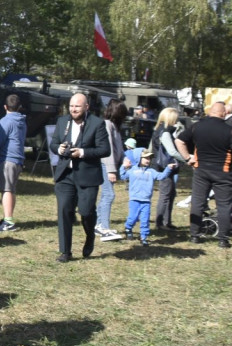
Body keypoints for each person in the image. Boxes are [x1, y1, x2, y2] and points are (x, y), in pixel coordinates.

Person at [48, 92, 110, 262]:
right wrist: (59, 149)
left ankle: (90, 236)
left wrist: (82, 152)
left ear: (86, 107)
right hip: (65, 174)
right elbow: (53, 143)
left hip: (87, 175)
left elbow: (105, 149)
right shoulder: (62, 122)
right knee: (64, 211)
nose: (73, 109)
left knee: (86, 211)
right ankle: (65, 252)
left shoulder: (97, 124)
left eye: (77, 106)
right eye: (71, 106)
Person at [175, 101, 232, 247]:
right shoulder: (229, 130)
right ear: (224, 113)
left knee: (198, 202)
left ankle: (194, 236)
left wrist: (187, 157)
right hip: (223, 172)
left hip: (201, 170)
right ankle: (223, 240)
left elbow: (179, 140)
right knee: (224, 205)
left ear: (209, 112)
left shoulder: (197, 126)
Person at [0, 94, 26, 231]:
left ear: (5, 107)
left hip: (8, 159)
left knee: (7, 190)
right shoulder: (22, 120)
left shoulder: (5, 121)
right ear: (19, 106)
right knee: (10, 189)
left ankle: (8, 222)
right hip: (18, 159)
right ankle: (7, 218)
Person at [120, 147, 175, 245]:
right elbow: (123, 176)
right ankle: (128, 228)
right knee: (132, 217)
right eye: (146, 158)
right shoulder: (132, 170)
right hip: (134, 200)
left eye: (149, 158)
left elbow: (161, 176)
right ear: (138, 158)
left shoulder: (151, 171)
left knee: (145, 220)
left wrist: (168, 169)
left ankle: (143, 237)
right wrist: (123, 166)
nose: (148, 160)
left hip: (146, 201)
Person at [94, 100, 128, 242]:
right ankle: (104, 228)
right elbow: (107, 151)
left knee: (106, 195)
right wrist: (111, 170)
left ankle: (98, 224)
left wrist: (125, 157)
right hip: (106, 165)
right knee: (109, 195)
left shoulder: (114, 126)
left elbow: (118, 148)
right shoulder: (107, 125)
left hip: (110, 165)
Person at [149, 107, 186, 231]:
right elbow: (172, 151)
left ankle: (166, 221)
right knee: (165, 195)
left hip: (163, 166)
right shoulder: (164, 132)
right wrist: (187, 158)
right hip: (165, 167)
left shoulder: (159, 130)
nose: (177, 120)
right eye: (175, 118)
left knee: (170, 194)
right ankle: (160, 223)